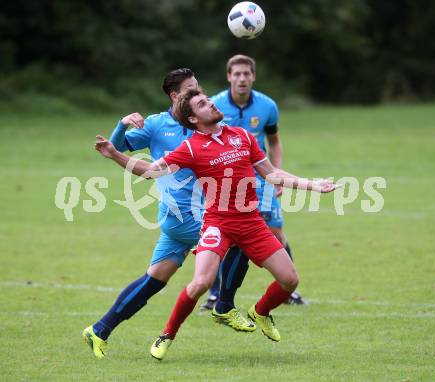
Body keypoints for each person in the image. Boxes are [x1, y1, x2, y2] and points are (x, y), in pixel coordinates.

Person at [94, 88, 340, 360]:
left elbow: (272, 174)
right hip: (217, 224)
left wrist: (313, 185)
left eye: (208, 99)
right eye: (202, 103)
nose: (211, 103)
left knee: (290, 280)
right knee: (201, 283)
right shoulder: (190, 148)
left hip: (252, 223)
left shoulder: (242, 136)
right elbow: (151, 171)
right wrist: (115, 154)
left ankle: (260, 312)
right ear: (192, 119)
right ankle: (167, 334)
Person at [82, 69, 255, 359]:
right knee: (240, 239)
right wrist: (121, 124)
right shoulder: (156, 125)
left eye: (198, 88)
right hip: (186, 215)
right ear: (176, 97)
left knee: (155, 279)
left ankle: (99, 329)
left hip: (188, 215)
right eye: (191, 90)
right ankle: (224, 306)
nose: (198, 94)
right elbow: (118, 146)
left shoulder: (203, 123)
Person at [200, 55, 305, 315]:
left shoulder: (268, 106)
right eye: (237, 74)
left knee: (276, 232)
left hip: (261, 177)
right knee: (222, 237)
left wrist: (277, 173)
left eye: (247, 74)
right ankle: (215, 296)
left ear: (253, 76)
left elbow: (275, 142)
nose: (242, 78)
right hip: (225, 185)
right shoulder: (214, 106)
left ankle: (288, 289)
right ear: (229, 77)